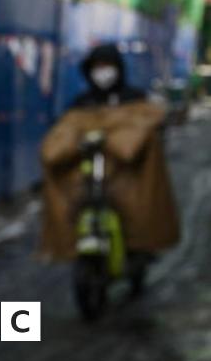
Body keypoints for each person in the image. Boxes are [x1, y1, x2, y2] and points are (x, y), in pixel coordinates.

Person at [39, 43, 180, 267]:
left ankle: (139, 249)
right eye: (98, 67)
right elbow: (61, 139)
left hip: (125, 172)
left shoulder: (134, 98)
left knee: (138, 204)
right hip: (89, 171)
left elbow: (142, 130)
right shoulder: (82, 103)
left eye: (107, 66)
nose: (103, 73)